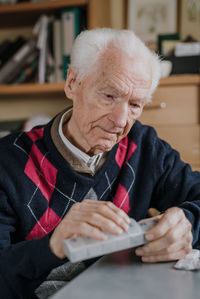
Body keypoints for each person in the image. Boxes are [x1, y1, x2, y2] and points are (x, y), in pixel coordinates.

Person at [0, 28, 199, 299]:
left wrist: (188, 221)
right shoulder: (7, 162)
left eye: (135, 104)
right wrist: (53, 246)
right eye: (109, 96)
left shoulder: (145, 148)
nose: (120, 120)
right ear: (72, 83)